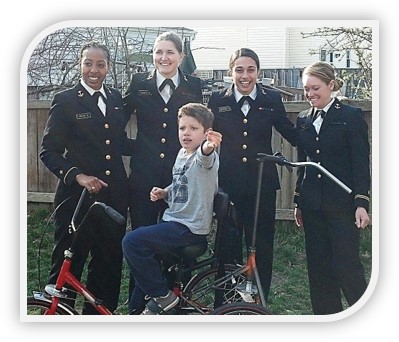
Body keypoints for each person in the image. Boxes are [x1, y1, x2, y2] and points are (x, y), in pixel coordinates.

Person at [40, 41, 133, 314]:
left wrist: (160, 148)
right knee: (70, 261)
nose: (94, 70)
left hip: (114, 195)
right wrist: (77, 176)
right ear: (80, 65)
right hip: (76, 199)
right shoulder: (66, 100)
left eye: (100, 64)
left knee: (108, 264)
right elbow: (49, 152)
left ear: (108, 67)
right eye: (88, 63)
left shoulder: (116, 100)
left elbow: (117, 143)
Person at [207, 48, 296, 302]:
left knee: (261, 246)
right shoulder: (217, 100)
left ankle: (258, 303)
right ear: (230, 72)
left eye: (250, 70)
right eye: (239, 70)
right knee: (227, 246)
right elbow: (204, 132)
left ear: (258, 72)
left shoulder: (271, 100)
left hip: (261, 185)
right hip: (228, 185)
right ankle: (224, 303)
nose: (245, 76)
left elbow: (289, 132)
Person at [122, 31, 203, 307]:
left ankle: (176, 304)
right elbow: (117, 118)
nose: (163, 58)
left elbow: (204, 127)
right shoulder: (139, 83)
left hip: (180, 179)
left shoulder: (194, 85)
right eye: (158, 52)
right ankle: (138, 308)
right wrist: (136, 148)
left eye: (170, 52)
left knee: (176, 248)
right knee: (141, 240)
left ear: (181, 56)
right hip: (144, 178)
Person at [122, 103, 222, 315]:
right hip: (173, 221)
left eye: (194, 129)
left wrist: (210, 146)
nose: (186, 133)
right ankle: (138, 311)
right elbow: (183, 183)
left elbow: (206, 154)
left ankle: (164, 297)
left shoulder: (204, 157)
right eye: (182, 128)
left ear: (207, 133)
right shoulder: (182, 153)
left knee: (131, 242)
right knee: (145, 272)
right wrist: (166, 192)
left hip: (188, 227)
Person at [294, 61, 370, 315]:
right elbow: (303, 163)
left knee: (347, 267)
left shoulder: (350, 117)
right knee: (319, 269)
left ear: (331, 85)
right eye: (306, 89)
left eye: (316, 88)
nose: (310, 94)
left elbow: (360, 163)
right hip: (312, 206)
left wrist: (362, 203)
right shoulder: (303, 118)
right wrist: (298, 201)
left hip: (342, 207)